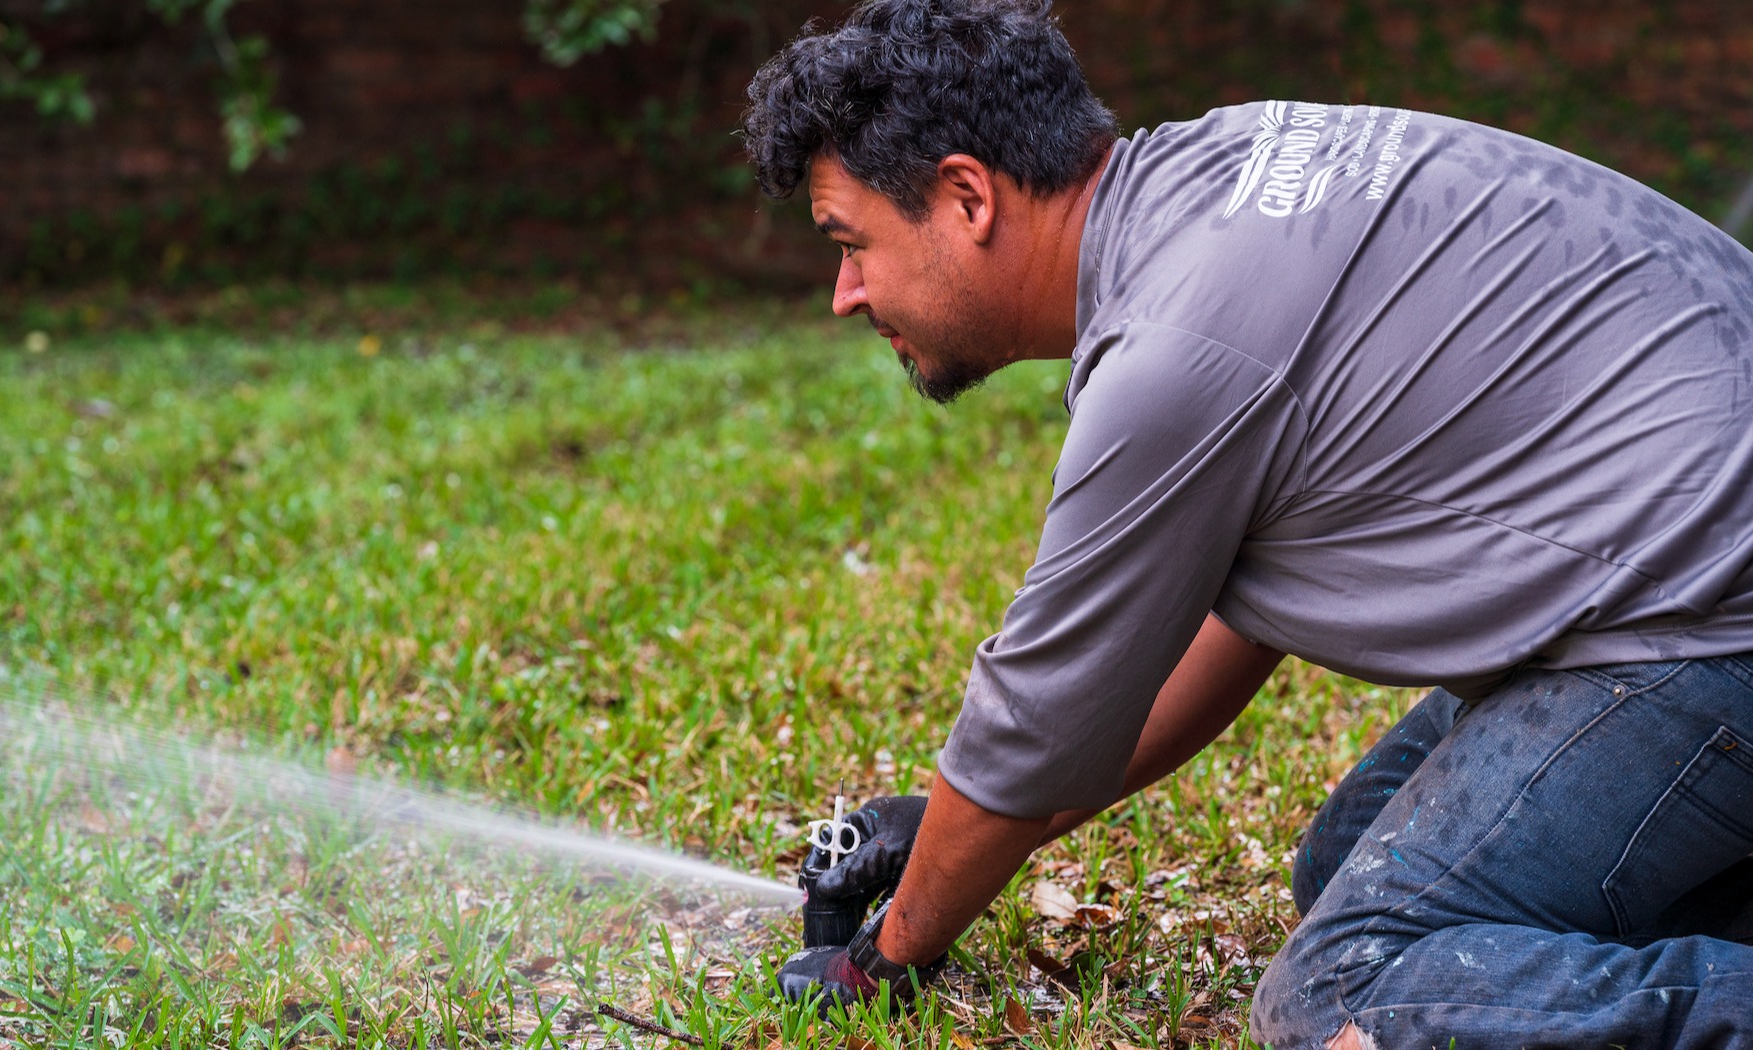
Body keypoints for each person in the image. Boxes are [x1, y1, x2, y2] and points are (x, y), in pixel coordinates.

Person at [740, 1, 1753, 1045]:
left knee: (1349, 990)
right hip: (1683, 577)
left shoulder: (1178, 349)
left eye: (851, 242)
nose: (845, 293)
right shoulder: (1219, 176)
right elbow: (1190, 643)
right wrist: (955, 831)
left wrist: (882, 959)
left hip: (1710, 626)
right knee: (1345, 862)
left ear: (965, 196)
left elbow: (1035, 719)